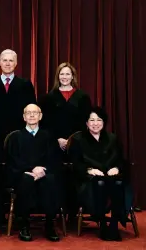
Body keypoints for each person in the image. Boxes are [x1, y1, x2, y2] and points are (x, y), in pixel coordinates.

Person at [39, 62, 92, 221]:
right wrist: (58, 140)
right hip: (55, 145)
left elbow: (86, 122)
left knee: (76, 176)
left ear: (73, 76)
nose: (65, 77)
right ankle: (57, 211)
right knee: (58, 176)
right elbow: (45, 123)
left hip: (77, 144)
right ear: (58, 76)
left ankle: (74, 213)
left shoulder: (83, 97)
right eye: (62, 74)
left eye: (68, 74)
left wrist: (71, 140)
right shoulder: (49, 97)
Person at [69, 107, 126, 241]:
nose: (95, 123)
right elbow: (75, 164)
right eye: (92, 120)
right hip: (88, 180)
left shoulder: (112, 138)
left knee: (118, 182)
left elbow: (122, 161)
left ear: (104, 122)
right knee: (99, 182)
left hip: (111, 177)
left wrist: (117, 168)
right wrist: (89, 170)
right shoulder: (78, 139)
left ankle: (114, 223)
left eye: (99, 120)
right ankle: (102, 223)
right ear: (86, 123)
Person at [6, 104, 60, 242]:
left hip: (44, 173)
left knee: (51, 180)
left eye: (34, 113)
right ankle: (24, 224)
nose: (31, 115)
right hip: (22, 173)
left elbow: (54, 158)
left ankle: (49, 224)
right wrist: (31, 169)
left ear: (40, 116)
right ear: (23, 117)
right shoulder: (15, 137)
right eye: (28, 113)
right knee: (25, 180)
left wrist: (43, 170)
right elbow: (12, 159)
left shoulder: (48, 136)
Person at [0, 49, 36, 152]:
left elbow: (32, 110)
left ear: (16, 63)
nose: (8, 64)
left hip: (19, 136)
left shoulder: (25, 85)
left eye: (11, 60)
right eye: (5, 60)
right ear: (0, 63)